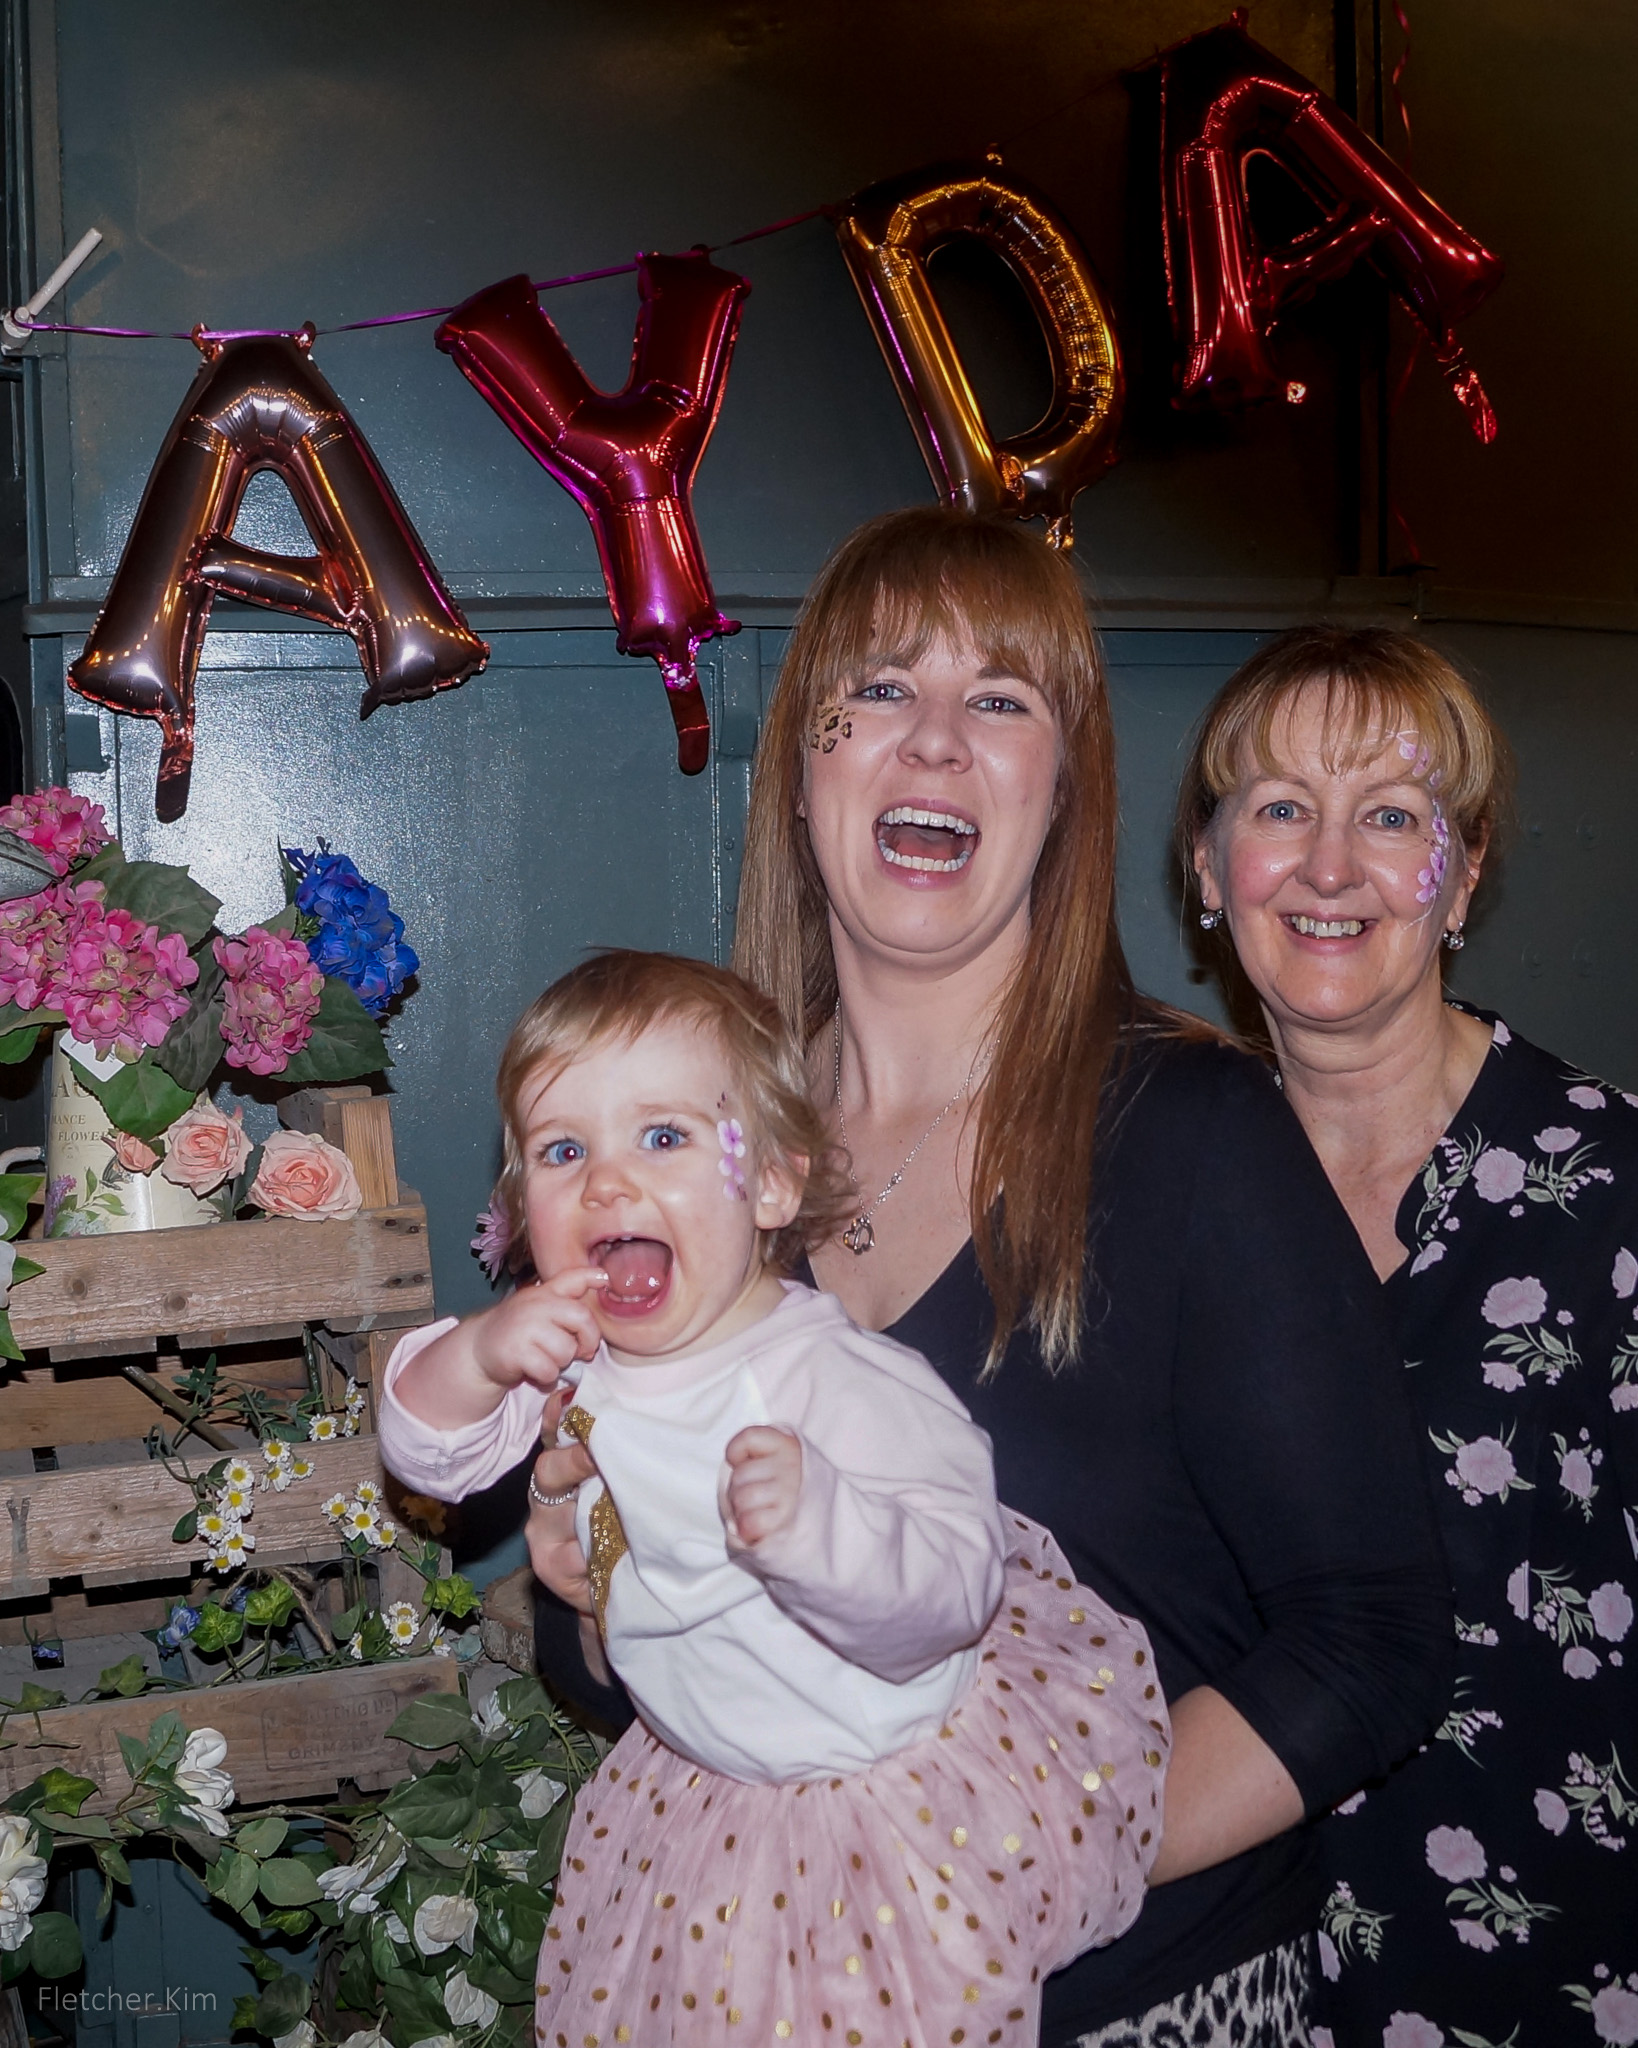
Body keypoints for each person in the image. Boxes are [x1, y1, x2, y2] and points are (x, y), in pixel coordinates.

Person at [525, 508, 1455, 2048]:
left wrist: (1003, 1881)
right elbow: (660, 1660)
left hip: (1140, 2000)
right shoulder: (674, 1157)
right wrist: (585, 1592)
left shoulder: (1192, 1133)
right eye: (880, 690)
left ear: (1061, 786)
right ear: (803, 769)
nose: (937, 741)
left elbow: (1372, 1642)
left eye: (1001, 699)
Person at [379, 948, 1169, 2048]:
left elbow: (952, 1588)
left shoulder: (834, 1378)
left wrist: (816, 1528)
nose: (606, 1182)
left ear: (771, 1185)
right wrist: (478, 1352)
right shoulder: (572, 1359)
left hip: (889, 1797)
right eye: (563, 1151)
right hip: (706, 1798)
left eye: (664, 1136)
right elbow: (426, 1454)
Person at [1179, 623, 1638, 2047]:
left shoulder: (1612, 1191)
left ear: (1463, 873)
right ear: (1209, 871)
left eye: (1390, 817)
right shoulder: (1151, 1190)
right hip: (1233, 1983)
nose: (1330, 868)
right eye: (1280, 809)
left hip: (1557, 1975)